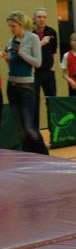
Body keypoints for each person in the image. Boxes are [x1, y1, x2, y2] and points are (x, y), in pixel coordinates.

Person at [0, 11, 49, 155]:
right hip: (12, 85)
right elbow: (12, 65)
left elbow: (37, 63)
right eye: (10, 26)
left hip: (26, 87)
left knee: (29, 128)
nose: (11, 29)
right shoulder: (11, 41)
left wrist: (20, 52)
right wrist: (8, 59)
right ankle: (29, 156)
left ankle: (44, 155)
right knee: (21, 129)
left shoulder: (32, 38)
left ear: (21, 25)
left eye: (13, 26)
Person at [32, 8, 58, 130]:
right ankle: (36, 132)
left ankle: (54, 131)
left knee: (52, 101)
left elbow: (54, 51)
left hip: (49, 72)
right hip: (35, 73)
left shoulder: (52, 32)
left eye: (44, 17)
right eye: (39, 17)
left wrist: (54, 66)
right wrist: (41, 43)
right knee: (34, 103)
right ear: (34, 19)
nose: (41, 19)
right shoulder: (31, 36)